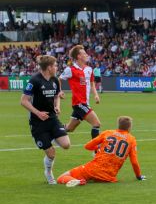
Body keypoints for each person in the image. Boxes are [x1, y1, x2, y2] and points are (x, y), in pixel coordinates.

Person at [20, 55, 71, 184]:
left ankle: (51, 136)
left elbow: (56, 96)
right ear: (49, 67)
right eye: (55, 65)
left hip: (52, 118)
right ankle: (48, 172)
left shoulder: (55, 80)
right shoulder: (34, 81)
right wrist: (38, 113)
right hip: (38, 122)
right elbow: (23, 101)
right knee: (51, 153)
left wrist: (57, 106)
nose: (56, 67)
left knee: (66, 144)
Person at [57, 116, 145, 187]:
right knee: (96, 175)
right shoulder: (132, 140)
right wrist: (138, 176)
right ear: (129, 127)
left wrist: (98, 148)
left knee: (62, 177)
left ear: (118, 125)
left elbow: (87, 146)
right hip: (109, 176)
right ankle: (83, 180)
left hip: (93, 169)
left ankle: (78, 181)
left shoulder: (108, 133)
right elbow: (134, 162)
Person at [59, 45, 101, 141]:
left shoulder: (89, 69)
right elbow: (59, 79)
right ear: (79, 56)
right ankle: (96, 150)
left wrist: (96, 95)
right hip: (79, 103)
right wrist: (59, 91)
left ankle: (54, 130)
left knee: (70, 128)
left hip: (85, 103)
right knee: (96, 124)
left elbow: (92, 83)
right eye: (84, 54)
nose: (87, 55)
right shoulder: (70, 69)